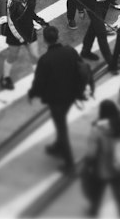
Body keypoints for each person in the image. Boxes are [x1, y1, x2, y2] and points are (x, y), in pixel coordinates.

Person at [28, 23, 93, 175]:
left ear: (45, 40)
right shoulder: (70, 51)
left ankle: (69, 163)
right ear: (57, 37)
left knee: (61, 126)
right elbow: (80, 67)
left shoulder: (45, 59)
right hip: (72, 93)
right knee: (61, 122)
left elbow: (39, 81)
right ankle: (58, 145)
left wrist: (32, 93)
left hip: (56, 98)